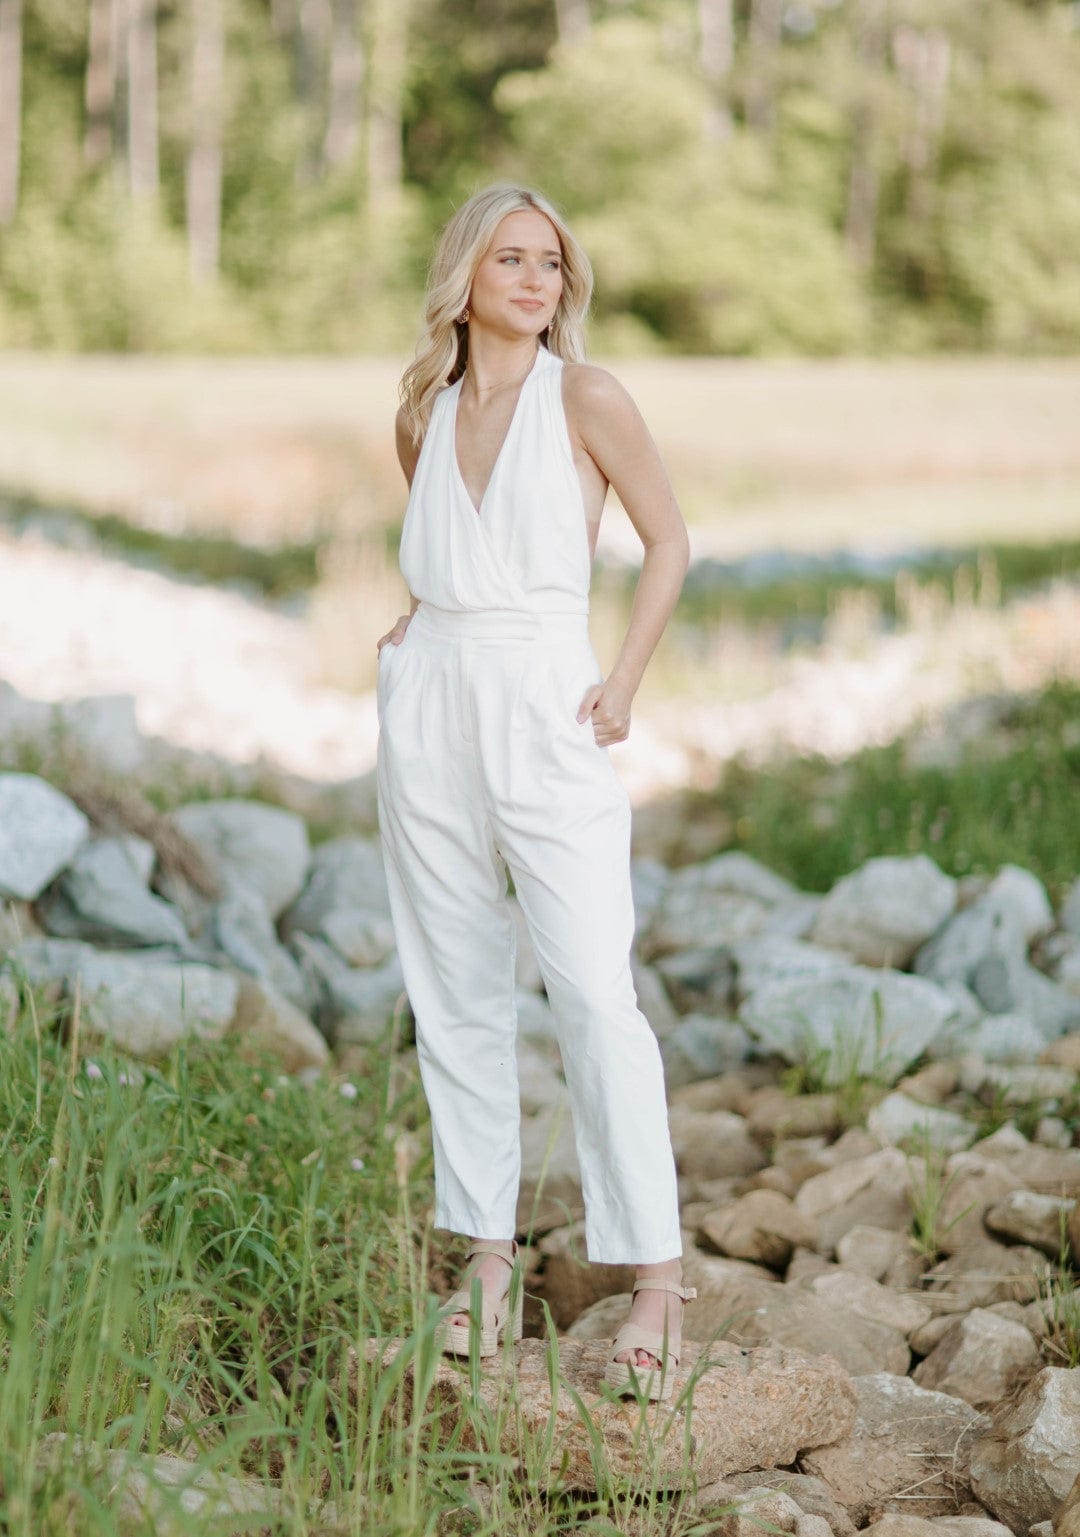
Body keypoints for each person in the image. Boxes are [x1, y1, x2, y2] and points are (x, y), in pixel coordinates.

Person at [374, 183, 696, 1402]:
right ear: (463, 272)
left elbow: (668, 540)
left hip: (551, 700)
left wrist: (622, 682)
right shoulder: (424, 410)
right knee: (453, 986)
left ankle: (656, 1280)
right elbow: (441, 554)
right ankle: (488, 1260)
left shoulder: (590, 396)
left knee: (593, 992)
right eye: (510, 259)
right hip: (431, 707)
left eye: (550, 264)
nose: (534, 281)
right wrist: (412, 636)